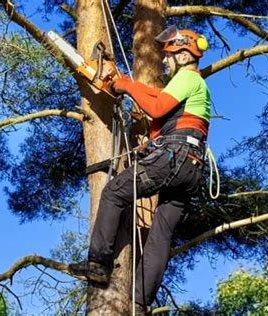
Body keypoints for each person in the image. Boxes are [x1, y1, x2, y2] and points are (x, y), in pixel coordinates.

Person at [69, 26, 211, 314]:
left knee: (115, 191)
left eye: (169, 55)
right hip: (191, 168)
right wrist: (125, 85)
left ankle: (98, 264)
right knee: (161, 234)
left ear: (184, 55)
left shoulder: (187, 78)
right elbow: (166, 113)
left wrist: (125, 85)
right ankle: (140, 302)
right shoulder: (194, 89)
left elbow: (157, 107)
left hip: (176, 158)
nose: (165, 62)